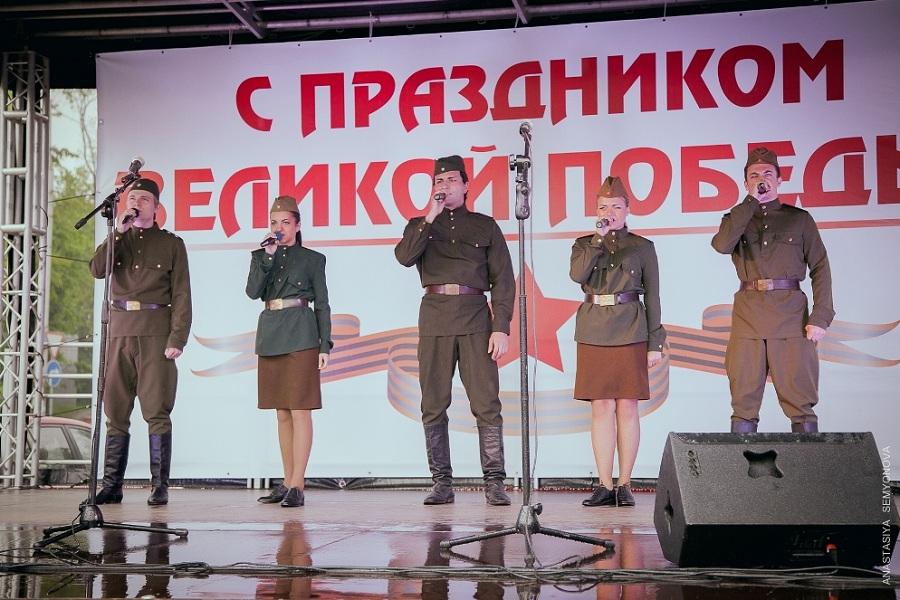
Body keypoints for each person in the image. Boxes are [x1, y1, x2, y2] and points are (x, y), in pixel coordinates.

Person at [394, 155, 515, 506]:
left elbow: (504, 281)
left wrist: (501, 327)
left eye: (450, 180)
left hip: (476, 317)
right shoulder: (420, 225)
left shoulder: (484, 226)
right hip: (435, 317)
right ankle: (441, 483)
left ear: (466, 186)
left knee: (486, 402)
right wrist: (429, 216)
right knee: (433, 403)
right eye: (438, 181)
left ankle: (494, 483)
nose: (444, 186)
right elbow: (404, 257)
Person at [712, 147, 834, 433]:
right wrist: (750, 203)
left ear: (779, 179)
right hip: (748, 315)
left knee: (800, 398)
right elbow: (721, 245)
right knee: (743, 399)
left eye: (767, 173)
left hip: (791, 315)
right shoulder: (736, 219)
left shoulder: (799, 219)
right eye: (754, 175)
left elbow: (820, 267)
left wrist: (820, 316)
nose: (761, 179)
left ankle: (808, 460)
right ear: (746, 183)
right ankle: (741, 462)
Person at [89, 178, 192, 506]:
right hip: (119, 331)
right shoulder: (117, 237)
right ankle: (111, 485)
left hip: (155, 333)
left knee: (157, 409)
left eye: (144, 199)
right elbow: (96, 270)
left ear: (156, 207)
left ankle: (159, 486)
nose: (136, 203)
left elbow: (182, 294)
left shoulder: (171, 244)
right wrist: (117, 234)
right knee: (115, 410)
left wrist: (178, 337)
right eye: (132, 198)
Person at [570, 176, 665, 507]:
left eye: (615, 206)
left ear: (627, 209)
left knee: (627, 405)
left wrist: (655, 342)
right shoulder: (584, 244)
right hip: (594, 328)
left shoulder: (642, 247)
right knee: (601, 406)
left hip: (631, 327)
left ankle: (625, 484)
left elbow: (653, 296)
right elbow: (577, 276)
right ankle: (604, 483)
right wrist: (598, 238)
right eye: (602, 207)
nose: (609, 212)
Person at [247, 196, 332, 508]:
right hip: (271, 334)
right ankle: (286, 482)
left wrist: (325, 344)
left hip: (301, 334)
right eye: (274, 222)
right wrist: (267, 258)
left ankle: (298, 483)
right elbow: (252, 292)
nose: (279, 227)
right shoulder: (261, 256)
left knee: (300, 409)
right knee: (281, 412)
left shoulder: (312, 259)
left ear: (297, 225)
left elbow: (322, 304)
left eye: (285, 222)